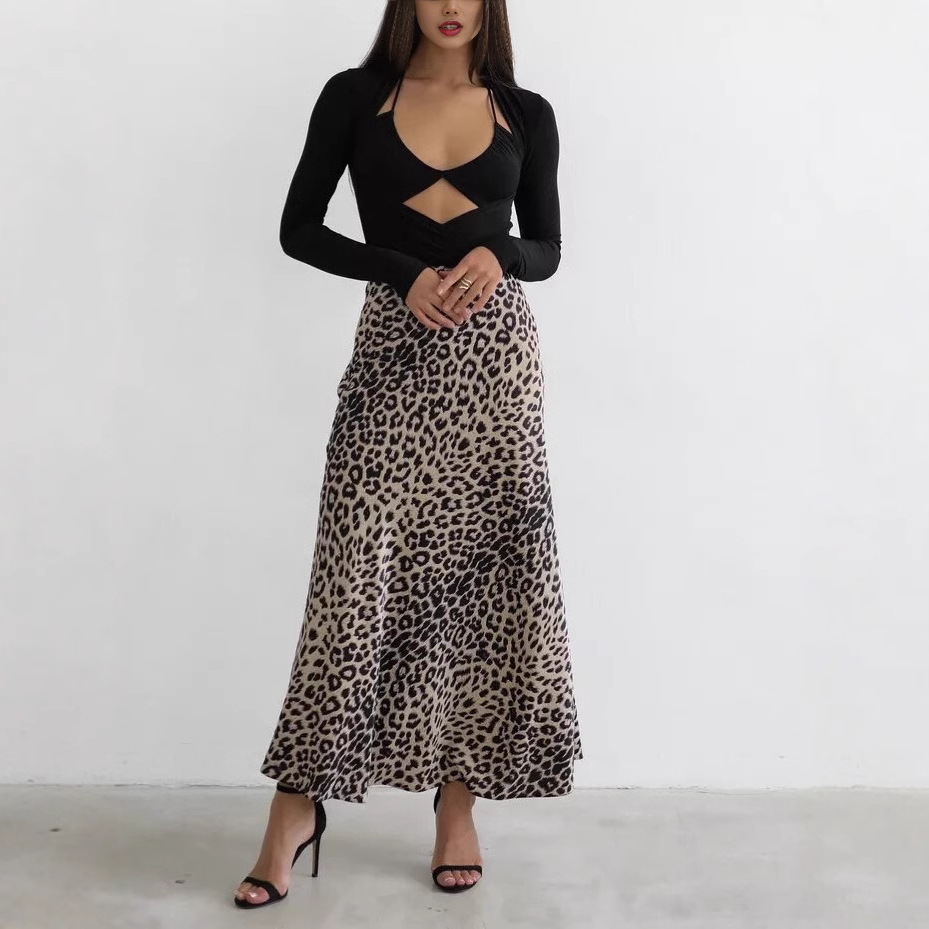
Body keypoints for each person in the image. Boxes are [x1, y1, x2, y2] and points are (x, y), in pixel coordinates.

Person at [234, 0, 582, 906]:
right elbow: (299, 229)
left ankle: (456, 804)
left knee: (481, 583)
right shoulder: (356, 97)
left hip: (494, 366)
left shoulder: (525, 111)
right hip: (391, 354)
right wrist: (398, 269)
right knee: (350, 581)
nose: (451, 6)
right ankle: (295, 808)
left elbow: (548, 246)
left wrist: (501, 254)